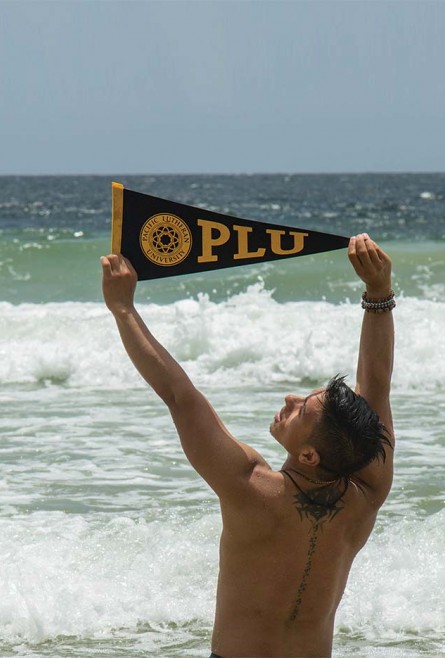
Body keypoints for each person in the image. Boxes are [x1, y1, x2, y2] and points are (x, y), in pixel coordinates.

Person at [100, 233, 396, 658]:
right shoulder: (367, 496)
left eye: (301, 411)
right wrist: (379, 294)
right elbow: (378, 387)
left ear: (310, 456)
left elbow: (181, 397)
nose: (290, 400)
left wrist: (123, 309)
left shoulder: (251, 488)